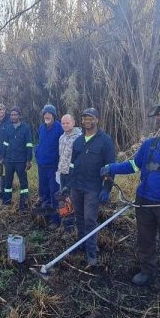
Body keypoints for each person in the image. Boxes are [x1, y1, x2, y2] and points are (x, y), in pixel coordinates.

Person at [100, 101, 160, 312]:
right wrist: (112, 167)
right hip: (143, 200)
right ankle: (147, 271)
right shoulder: (149, 145)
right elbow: (133, 165)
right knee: (145, 240)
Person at [64, 108, 115, 267]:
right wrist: (68, 184)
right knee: (78, 216)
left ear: (97, 120)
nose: (87, 121)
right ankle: (81, 244)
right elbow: (72, 164)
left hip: (93, 187)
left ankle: (91, 252)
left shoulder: (105, 141)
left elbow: (110, 167)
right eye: (85, 118)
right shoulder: (78, 141)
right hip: (77, 186)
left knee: (89, 219)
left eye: (90, 118)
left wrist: (106, 189)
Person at [35, 104, 63, 227]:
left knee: (54, 193)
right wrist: (36, 153)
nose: (47, 115)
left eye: (49, 114)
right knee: (43, 192)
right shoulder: (41, 127)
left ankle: (55, 219)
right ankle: (45, 216)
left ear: (53, 115)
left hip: (53, 166)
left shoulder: (59, 128)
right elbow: (40, 143)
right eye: (45, 114)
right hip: (41, 165)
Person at [1, 107, 33, 210]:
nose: (13, 116)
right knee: (7, 182)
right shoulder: (8, 128)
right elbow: (5, 143)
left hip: (21, 160)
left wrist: (28, 160)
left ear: (19, 115)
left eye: (15, 115)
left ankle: (24, 203)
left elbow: (29, 144)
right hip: (9, 160)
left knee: (23, 182)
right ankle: (6, 201)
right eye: (12, 115)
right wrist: (3, 157)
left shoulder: (26, 128)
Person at [57, 114, 82, 230]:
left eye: (68, 123)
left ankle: (73, 225)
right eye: (63, 123)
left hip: (73, 174)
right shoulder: (61, 137)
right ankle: (65, 222)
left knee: (72, 199)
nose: (65, 125)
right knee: (63, 198)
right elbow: (61, 156)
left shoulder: (79, 137)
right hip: (62, 172)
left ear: (73, 123)